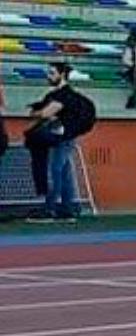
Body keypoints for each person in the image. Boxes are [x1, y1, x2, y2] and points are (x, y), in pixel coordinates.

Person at [25, 62, 92, 222]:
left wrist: (38, 113)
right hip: (65, 135)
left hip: (61, 136)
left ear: (62, 74)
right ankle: (67, 210)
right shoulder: (61, 95)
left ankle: (50, 209)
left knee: (55, 171)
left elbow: (44, 114)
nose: (48, 76)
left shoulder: (63, 95)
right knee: (64, 171)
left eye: (52, 73)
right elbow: (43, 113)